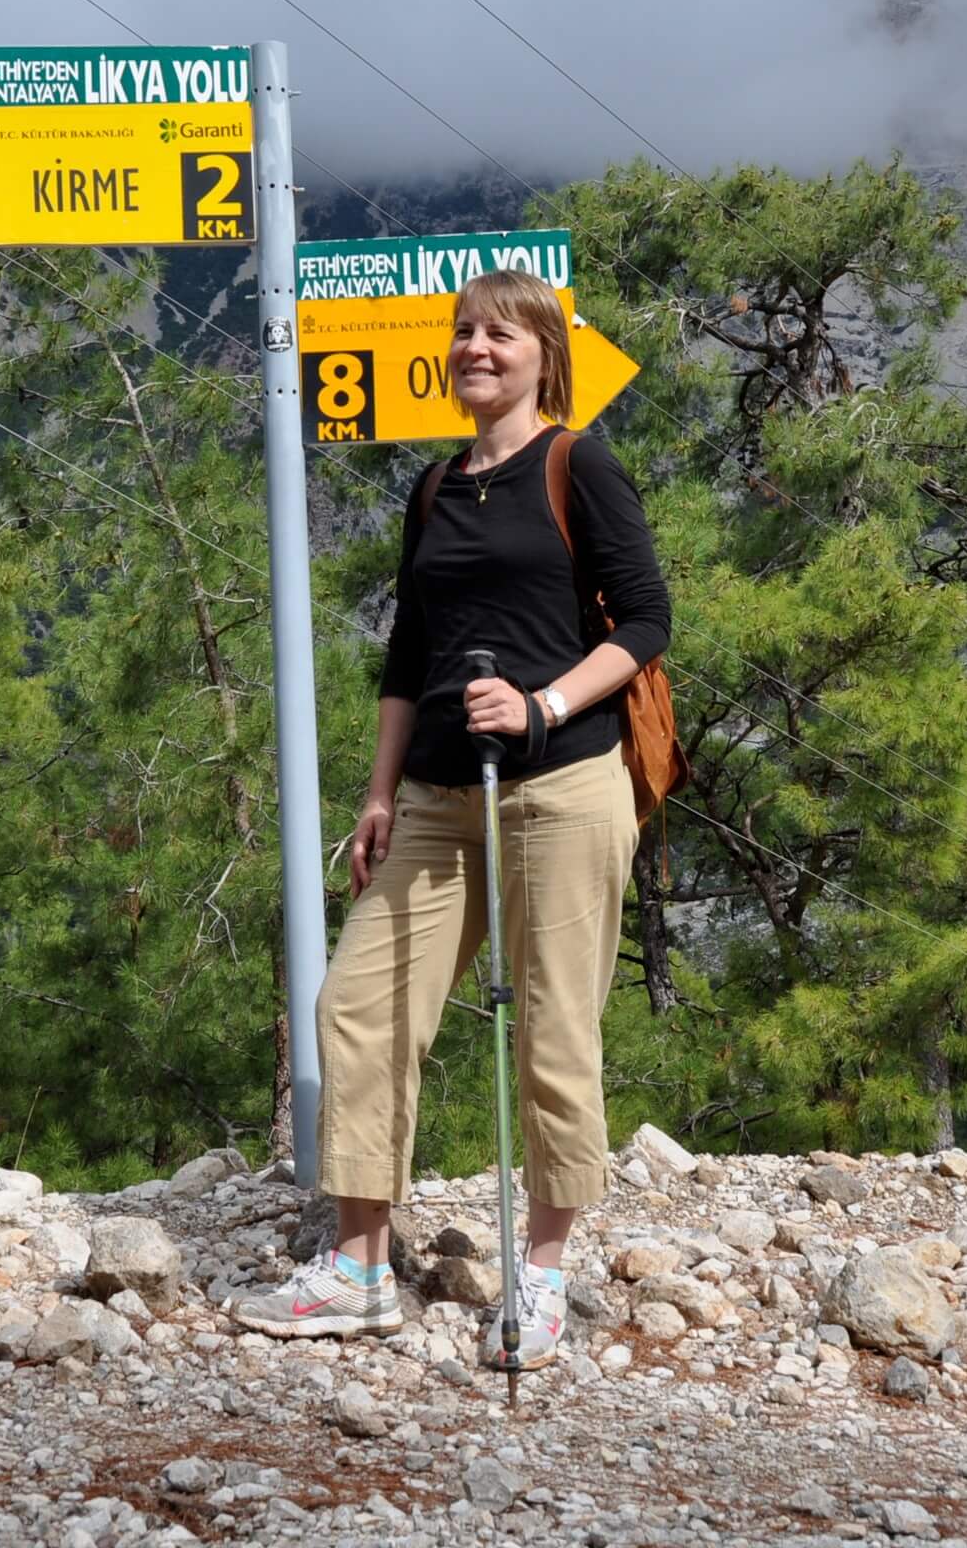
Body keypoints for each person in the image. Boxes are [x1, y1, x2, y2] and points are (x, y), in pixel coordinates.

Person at [236, 267, 670, 1370]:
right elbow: (405, 657)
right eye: (465, 332)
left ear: (543, 356)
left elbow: (648, 621)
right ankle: (360, 1269)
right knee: (361, 1006)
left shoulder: (580, 464)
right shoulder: (433, 489)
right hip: (434, 790)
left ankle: (543, 1273)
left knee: (555, 1029)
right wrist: (378, 793)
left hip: (563, 783)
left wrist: (543, 705)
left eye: (502, 335)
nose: (477, 348)